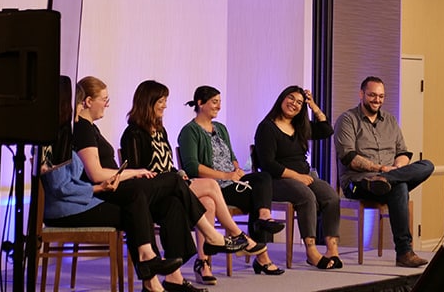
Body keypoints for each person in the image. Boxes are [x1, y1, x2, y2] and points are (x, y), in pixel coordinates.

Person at [74, 76, 245, 292]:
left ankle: (172, 278)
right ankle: (212, 236)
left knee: (173, 203)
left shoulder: (92, 129)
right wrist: (136, 171)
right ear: (89, 101)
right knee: (186, 184)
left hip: (133, 188)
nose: (107, 105)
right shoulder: (91, 130)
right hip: (119, 191)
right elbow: (97, 174)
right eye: (104, 100)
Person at [121, 80, 281, 284]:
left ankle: (203, 263)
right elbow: (137, 172)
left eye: (165, 101)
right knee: (211, 186)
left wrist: (179, 174)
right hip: (154, 190)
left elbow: (167, 164)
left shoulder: (160, 130)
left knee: (210, 202)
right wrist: (216, 176)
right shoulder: (134, 133)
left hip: (171, 183)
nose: (165, 105)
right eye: (161, 101)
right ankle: (236, 235)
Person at [177, 85, 286, 277]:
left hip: (233, 181)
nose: (219, 106)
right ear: (201, 103)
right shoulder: (189, 131)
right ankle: (262, 257)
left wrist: (236, 169)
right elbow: (193, 167)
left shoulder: (221, 128)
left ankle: (263, 218)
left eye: (220, 102)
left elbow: (232, 156)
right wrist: (226, 176)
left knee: (262, 180)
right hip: (214, 186)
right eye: (214, 102)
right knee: (255, 196)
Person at [41, 152, 184, 292]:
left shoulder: (65, 138)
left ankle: (150, 274)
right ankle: (150, 276)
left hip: (77, 202)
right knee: (133, 209)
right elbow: (60, 187)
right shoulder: (58, 139)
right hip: (65, 210)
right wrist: (98, 188)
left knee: (136, 205)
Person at [333, 76, 435, 268]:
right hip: (358, 183)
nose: (377, 100)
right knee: (400, 187)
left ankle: (387, 180)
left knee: (427, 165)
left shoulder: (390, 120)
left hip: (387, 179)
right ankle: (405, 252)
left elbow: (403, 153)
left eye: (381, 96)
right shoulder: (347, 120)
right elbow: (349, 158)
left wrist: (396, 169)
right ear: (361, 94)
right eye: (372, 95)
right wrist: (379, 169)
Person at [253, 85, 342, 269]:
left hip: (303, 176)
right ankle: (311, 251)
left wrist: (313, 106)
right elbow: (267, 164)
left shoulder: (300, 126)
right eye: (291, 98)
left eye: (299, 102)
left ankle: (332, 249)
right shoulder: (266, 127)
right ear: (282, 98)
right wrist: (296, 176)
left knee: (331, 196)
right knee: (306, 196)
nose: (294, 104)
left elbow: (326, 130)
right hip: (276, 180)